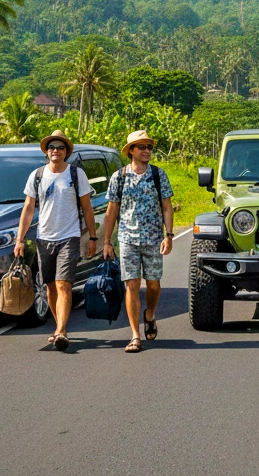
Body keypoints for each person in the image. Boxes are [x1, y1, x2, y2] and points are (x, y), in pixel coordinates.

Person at [14, 130, 97, 350]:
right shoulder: (37, 175)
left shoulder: (76, 174)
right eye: (52, 147)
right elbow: (28, 208)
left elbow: (87, 208)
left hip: (69, 236)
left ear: (66, 152)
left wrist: (93, 237)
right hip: (44, 238)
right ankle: (59, 326)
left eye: (60, 147)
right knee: (50, 286)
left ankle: (61, 330)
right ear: (46, 151)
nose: (56, 151)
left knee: (63, 284)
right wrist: (20, 239)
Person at [103, 130, 174, 353]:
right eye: (141, 147)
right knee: (131, 285)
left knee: (153, 284)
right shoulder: (119, 177)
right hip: (127, 239)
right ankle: (134, 335)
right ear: (131, 151)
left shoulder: (158, 175)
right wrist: (107, 241)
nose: (146, 151)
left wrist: (169, 235)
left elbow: (166, 206)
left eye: (149, 147)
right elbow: (111, 210)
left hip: (153, 239)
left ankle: (150, 314)